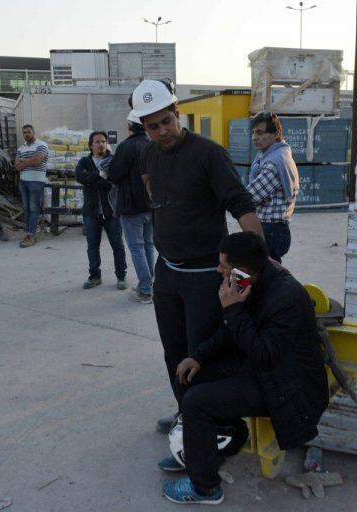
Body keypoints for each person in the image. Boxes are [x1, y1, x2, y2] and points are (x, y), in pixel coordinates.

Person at [129, 79, 264, 433]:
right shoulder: (148, 153)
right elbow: (150, 183)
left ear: (177, 113)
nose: (161, 132)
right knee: (173, 351)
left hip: (205, 275)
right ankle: (186, 414)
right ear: (144, 128)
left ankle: (210, 423)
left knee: (201, 354)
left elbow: (241, 204)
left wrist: (255, 261)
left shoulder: (208, 154)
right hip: (167, 273)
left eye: (166, 122)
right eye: (152, 126)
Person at [159, 232, 329, 505]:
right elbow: (230, 333)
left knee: (196, 402)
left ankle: (205, 489)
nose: (218, 271)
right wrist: (198, 357)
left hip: (287, 387)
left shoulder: (286, 297)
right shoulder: (250, 280)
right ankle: (211, 446)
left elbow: (264, 355)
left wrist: (233, 311)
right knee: (188, 376)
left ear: (243, 270)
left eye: (224, 267)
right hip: (265, 368)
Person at [107, 113, 155, 303]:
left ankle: (145, 289)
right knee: (148, 245)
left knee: (136, 248)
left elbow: (114, 174)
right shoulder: (152, 144)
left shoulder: (127, 146)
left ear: (129, 126)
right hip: (150, 204)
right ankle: (149, 284)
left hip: (131, 205)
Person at [74, 131, 127, 290]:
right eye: (97, 142)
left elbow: (112, 182)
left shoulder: (113, 161)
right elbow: (79, 177)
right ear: (91, 145)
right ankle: (95, 276)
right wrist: (100, 175)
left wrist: (92, 180)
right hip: (91, 212)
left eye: (103, 141)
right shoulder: (84, 161)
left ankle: (121, 276)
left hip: (111, 211)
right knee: (92, 246)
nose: (101, 144)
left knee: (117, 245)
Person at [247, 112, 299, 264]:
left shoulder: (273, 164)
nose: (254, 137)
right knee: (265, 272)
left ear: (276, 134)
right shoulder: (272, 155)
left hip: (271, 231)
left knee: (261, 272)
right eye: (253, 132)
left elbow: (250, 197)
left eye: (260, 133)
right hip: (272, 229)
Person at [14, 124, 49, 248]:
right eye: (24, 132)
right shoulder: (21, 148)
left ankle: (31, 235)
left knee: (34, 208)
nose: (26, 134)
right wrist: (29, 162)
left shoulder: (42, 145)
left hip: (36, 181)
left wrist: (24, 161)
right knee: (26, 207)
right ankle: (28, 232)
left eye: (28, 132)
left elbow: (37, 161)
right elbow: (16, 166)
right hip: (23, 181)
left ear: (33, 132)